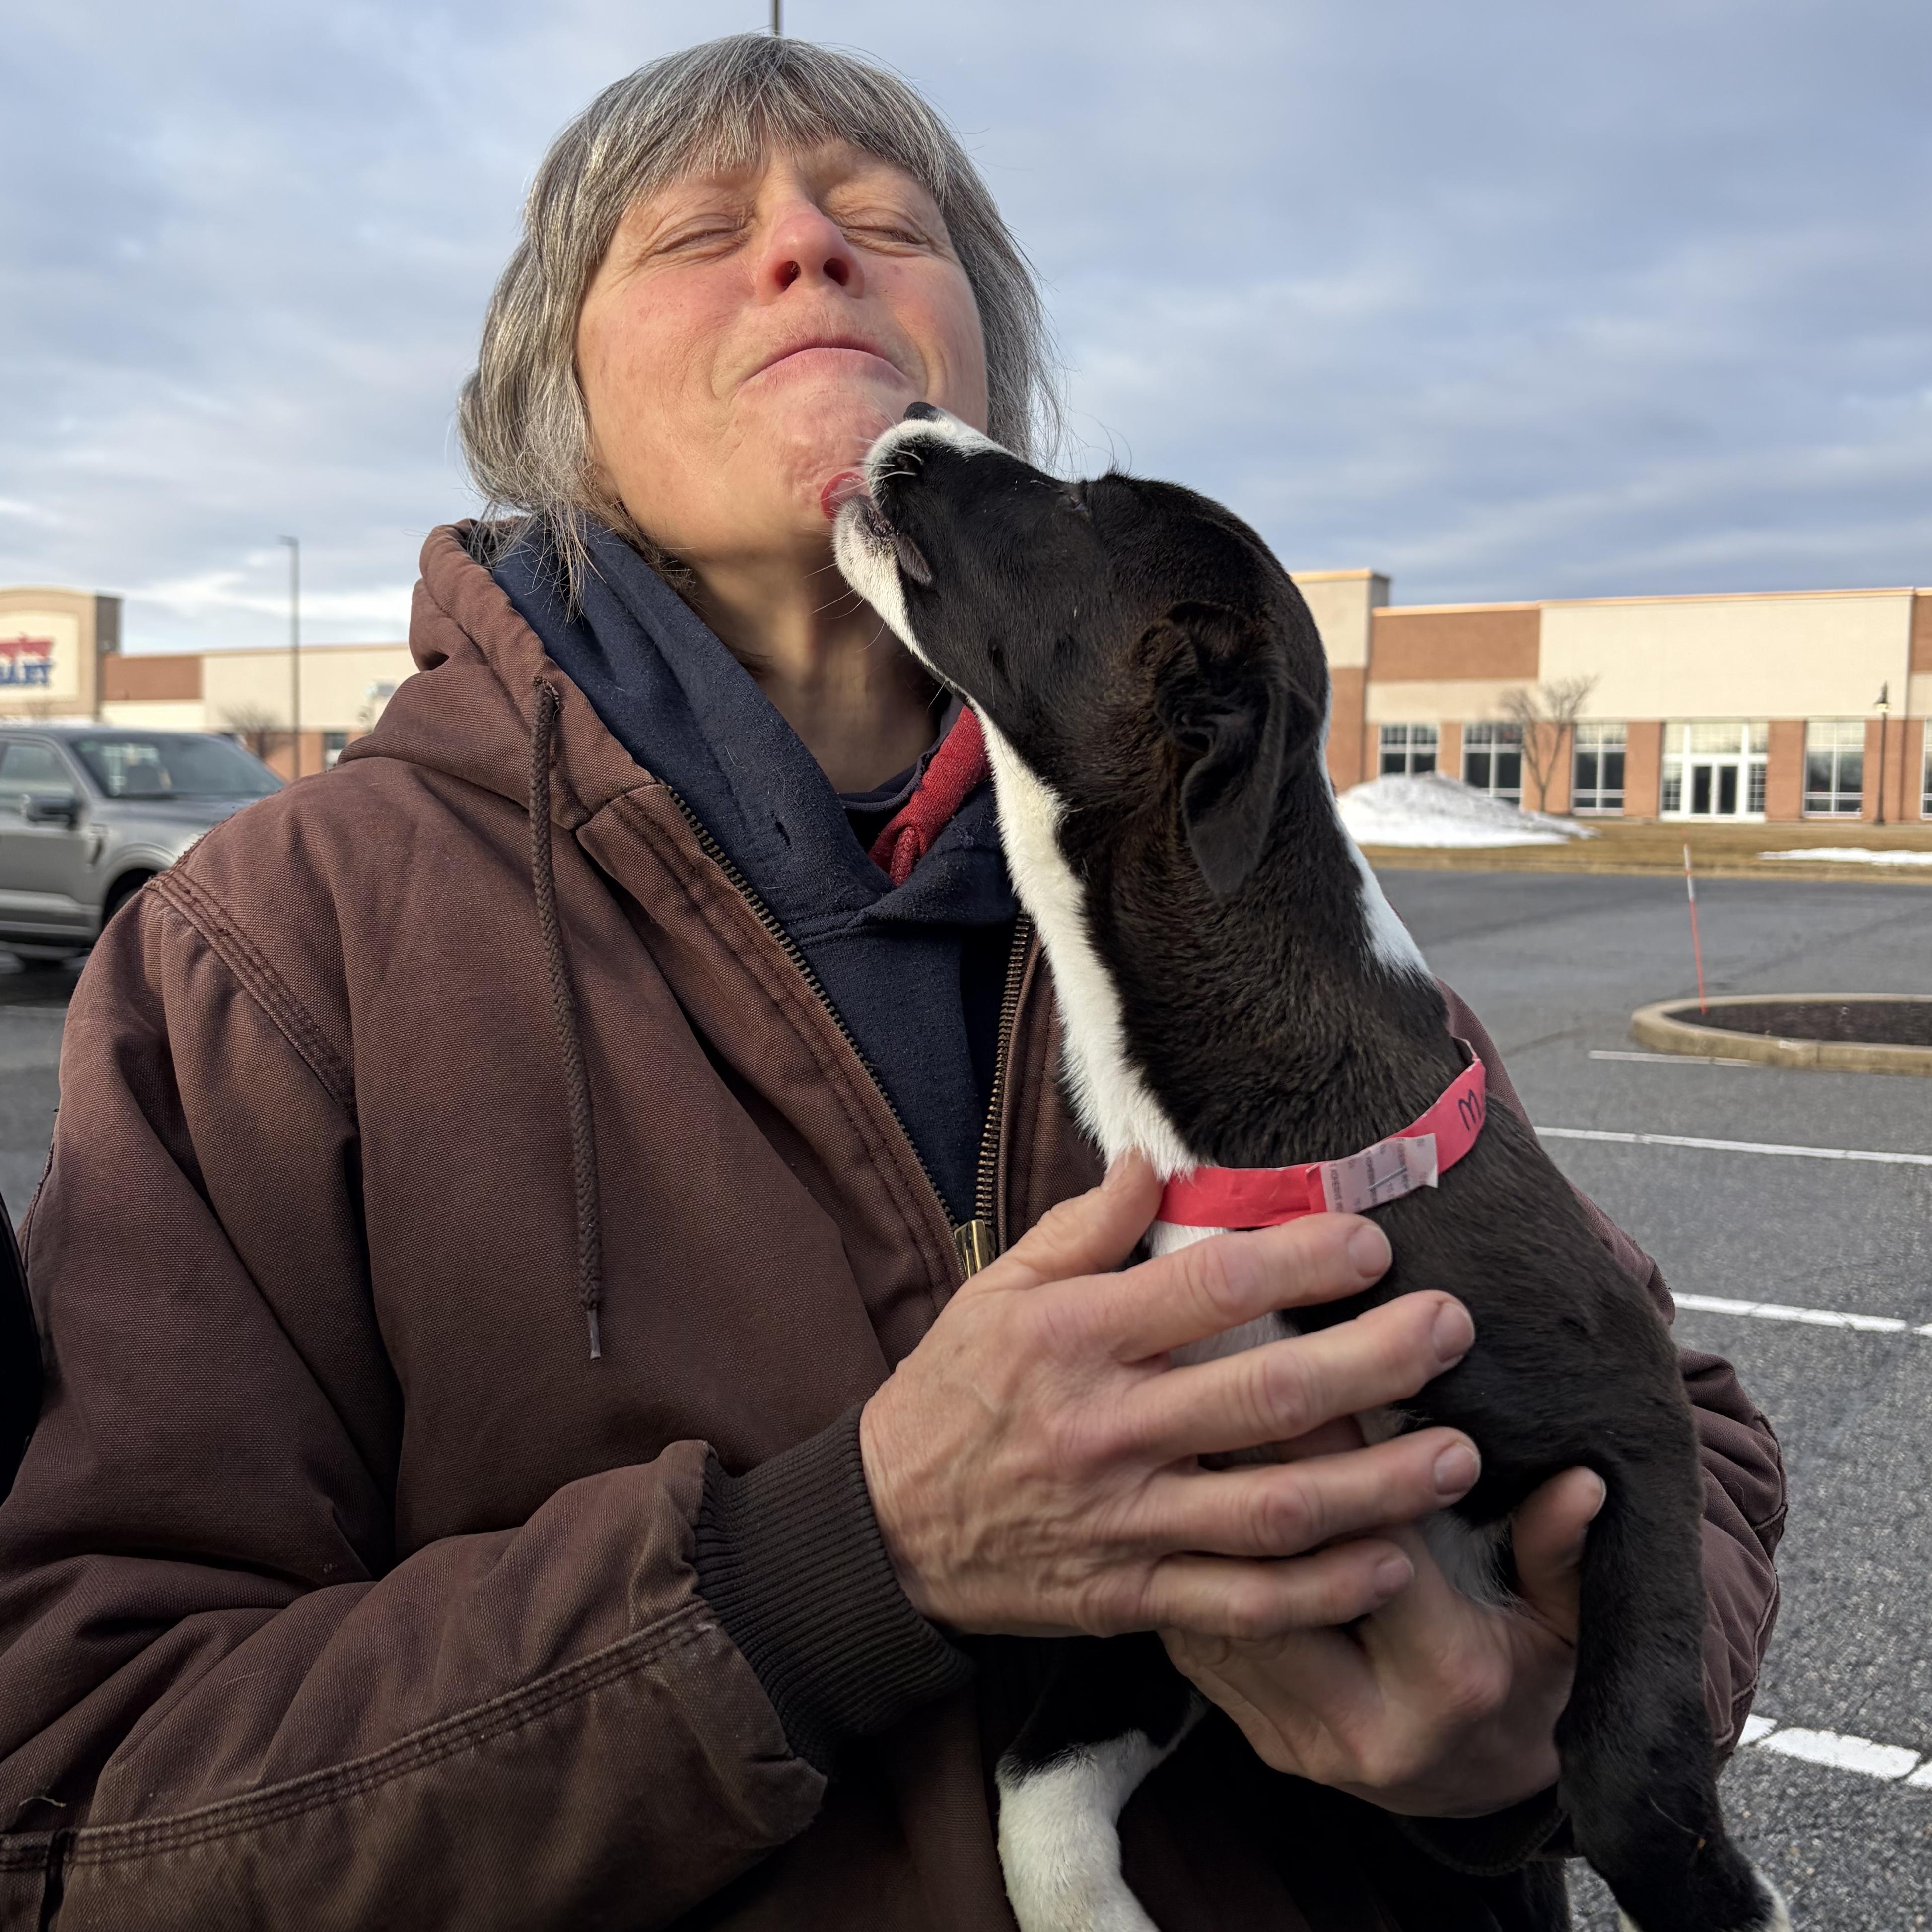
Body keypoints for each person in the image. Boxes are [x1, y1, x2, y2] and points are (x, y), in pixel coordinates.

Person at [0, 35, 1782, 1931]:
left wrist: (1523, 1738)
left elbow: (1681, 1431)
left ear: (988, 373)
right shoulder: (274, 951)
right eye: (695, 230)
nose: (807, 254)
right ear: (557, 403)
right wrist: (841, 1564)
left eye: (883, 222)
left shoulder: (1226, 873)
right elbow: (89, 1807)